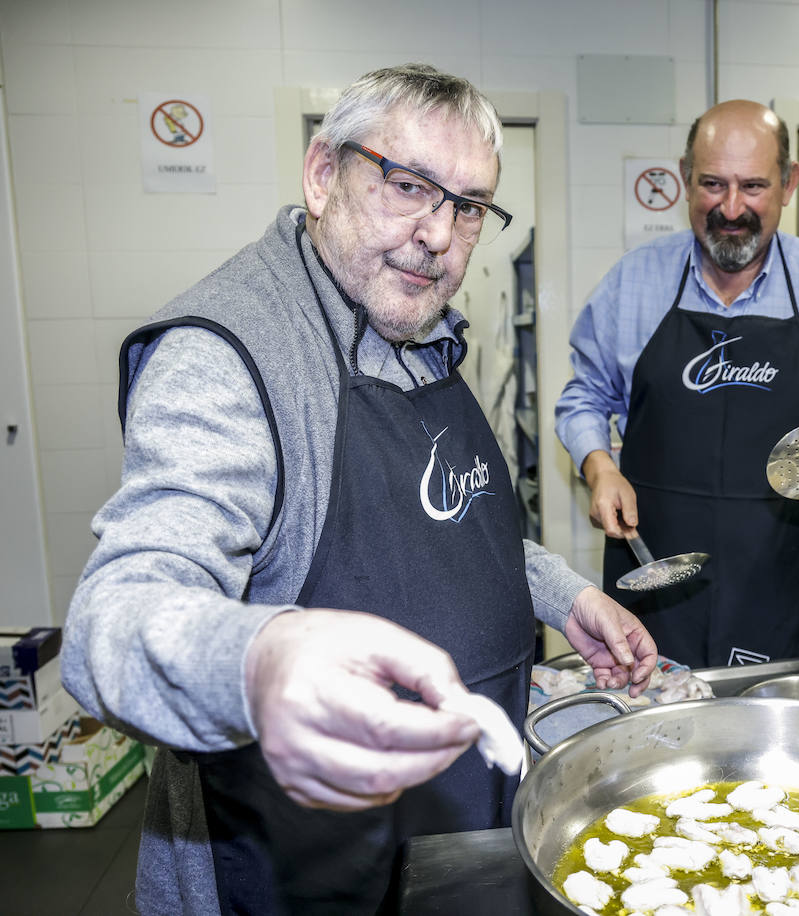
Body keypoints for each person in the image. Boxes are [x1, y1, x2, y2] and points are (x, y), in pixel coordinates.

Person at [62, 64, 657, 916]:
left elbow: (440, 523)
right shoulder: (230, 356)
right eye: (409, 186)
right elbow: (111, 616)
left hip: (454, 842)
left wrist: (568, 598)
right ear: (321, 174)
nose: (439, 236)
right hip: (297, 872)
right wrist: (260, 662)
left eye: (470, 206)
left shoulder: (416, 325)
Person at [555, 99, 799, 669]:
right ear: (683, 179)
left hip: (787, 588)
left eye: (752, 186)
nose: (731, 208)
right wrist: (599, 466)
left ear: (789, 183)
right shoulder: (632, 283)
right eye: (711, 184)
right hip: (656, 584)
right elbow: (583, 396)